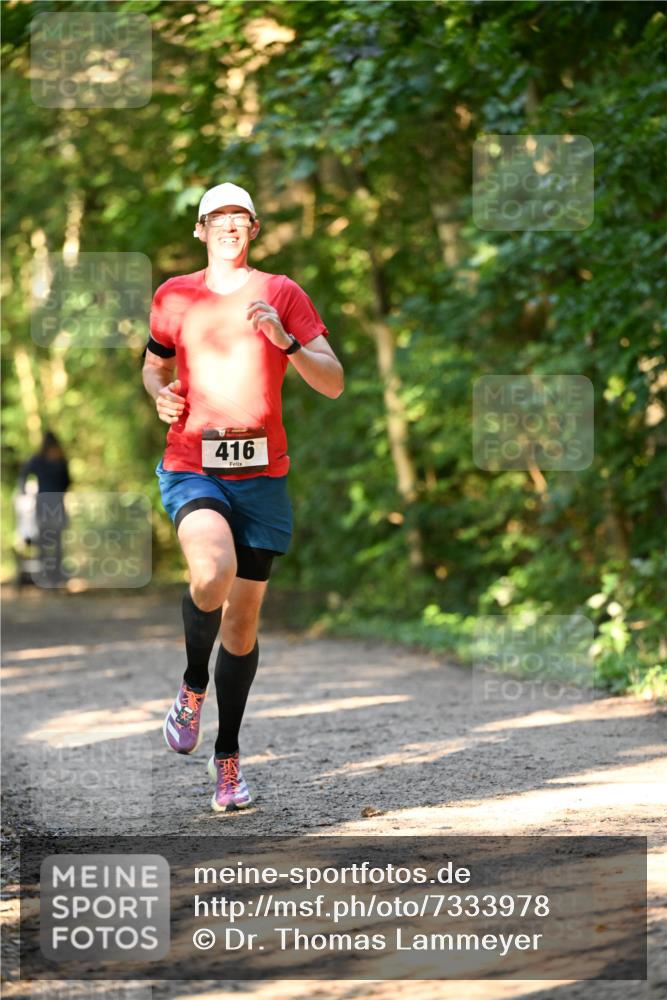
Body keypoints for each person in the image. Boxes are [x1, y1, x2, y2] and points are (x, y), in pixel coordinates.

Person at [142, 182, 344, 813]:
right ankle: (191, 686)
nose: (229, 227)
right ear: (200, 230)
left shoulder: (281, 292)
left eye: (240, 218)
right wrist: (159, 392)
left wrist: (287, 341)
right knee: (212, 569)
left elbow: (333, 382)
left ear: (253, 228)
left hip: (263, 477)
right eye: (217, 219)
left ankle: (226, 760)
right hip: (192, 463)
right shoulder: (174, 295)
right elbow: (153, 363)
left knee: (243, 621)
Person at [18, 430, 71, 585]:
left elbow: (24, 475)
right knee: (56, 542)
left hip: (43, 505)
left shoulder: (38, 459)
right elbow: (67, 482)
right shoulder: (60, 460)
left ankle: (45, 576)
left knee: (43, 540)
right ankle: (56, 576)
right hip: (56, 504)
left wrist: (24, 493)